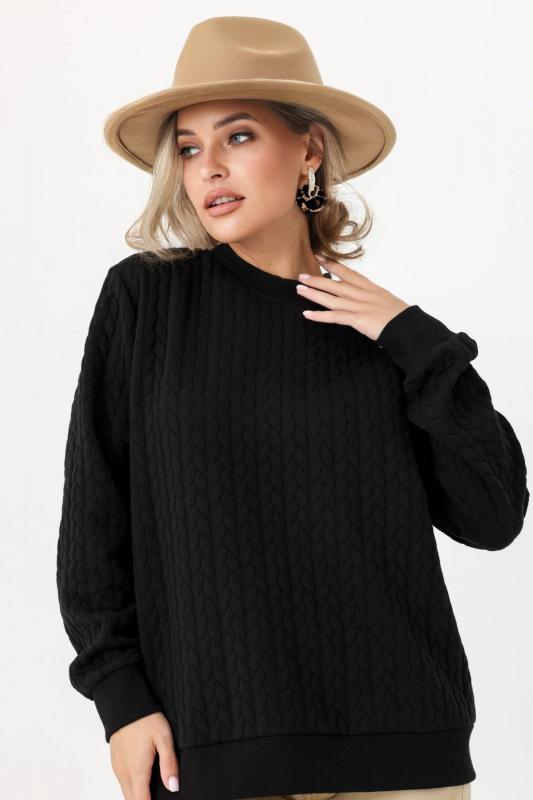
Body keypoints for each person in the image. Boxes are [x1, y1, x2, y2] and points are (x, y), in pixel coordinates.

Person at [56, 16, 528, 800]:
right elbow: (93, 517)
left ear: (309, 150)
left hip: (403, 753)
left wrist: (417, 341)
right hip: (215, 749)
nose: (208, 168)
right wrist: (120, 698)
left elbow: (493, 514)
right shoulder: (147, 302)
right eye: (188, 148)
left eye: (237, 136)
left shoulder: (384, 335)